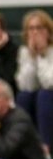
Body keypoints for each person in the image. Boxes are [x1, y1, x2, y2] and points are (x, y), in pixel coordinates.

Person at [15, 8, 53, 151]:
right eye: (31, 29)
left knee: (44, 95)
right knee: (23, 97)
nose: (35, 32)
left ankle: (46, 147)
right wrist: (32, 57)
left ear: (48, 31)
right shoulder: (24, 52)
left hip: (49, 96)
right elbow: (26, 85)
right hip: (39, 98)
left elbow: (49, 83)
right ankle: (25, 148)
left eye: (39, 28)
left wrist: (42, 56)